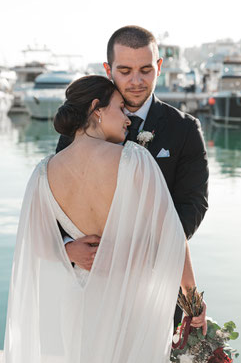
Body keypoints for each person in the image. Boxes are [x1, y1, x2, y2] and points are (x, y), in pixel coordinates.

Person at [0, 75, 206, 363]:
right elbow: (172, 236)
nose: (127, 118)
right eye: (121, 108)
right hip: (132, 302)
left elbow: (36, 246)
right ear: (97, 109)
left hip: (80, 304)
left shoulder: (44, 172)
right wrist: (192, 301)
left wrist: (69, 249)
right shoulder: (134, 160)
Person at [56, 26, 209, 330]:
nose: (136, 81)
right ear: (108, 69)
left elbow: (192, 205)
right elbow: (58, 192)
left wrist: (146, 251)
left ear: (159, 67)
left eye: (145, 70)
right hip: (88, 287)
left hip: (154, 285)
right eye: (125, 71)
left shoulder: (185, 129)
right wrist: (66, 246)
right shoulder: (81, 125)